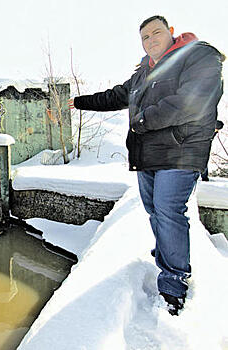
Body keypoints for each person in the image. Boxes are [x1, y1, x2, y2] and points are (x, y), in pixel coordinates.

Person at [68, 15, 224, 315]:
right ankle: (167, 256)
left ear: (171, 33)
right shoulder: (144, 73)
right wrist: (80, 101)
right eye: (145, 37)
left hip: (181, 151)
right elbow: (116, 96)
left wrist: (141, 120)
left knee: (168, 209)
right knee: (155, 210)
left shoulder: (198, 55)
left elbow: (190, 101)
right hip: (148, 153)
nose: (151, 40)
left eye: (156, 33)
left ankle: (174, 283)